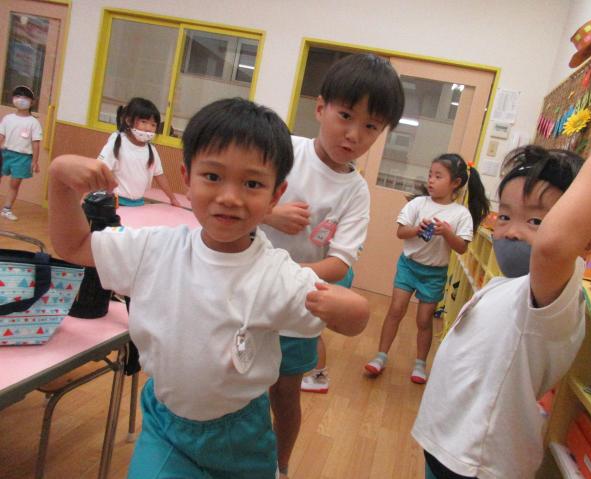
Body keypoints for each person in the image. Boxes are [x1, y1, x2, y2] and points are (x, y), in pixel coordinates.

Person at [48, 97, 370, 479]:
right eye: (213, 177)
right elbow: (74, 246)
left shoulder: (276, 274)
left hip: (241, 435)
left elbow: (353, 319)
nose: (229, 197)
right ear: (187, 177)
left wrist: (354, 311)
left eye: (252, 183)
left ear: (275, 195)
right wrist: (59, 181)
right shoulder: (154, 249)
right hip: (166, 425)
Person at [412, 134, 591, 479]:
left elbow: (553, 248)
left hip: (478, 462)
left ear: (584, 245)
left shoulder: (549, 295)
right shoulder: (508, 285)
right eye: (505, 216)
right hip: (447, 445)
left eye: (536, 222)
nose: (511, 232)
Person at [260, 52, 404, 478]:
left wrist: (283, 276)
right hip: (243, 294)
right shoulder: (283, 150)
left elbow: (339, 263)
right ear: (321, 108)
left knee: (286, 394)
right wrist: (270, 214)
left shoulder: (356, 192)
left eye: (371, 126)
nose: (354, 134)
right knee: (237, 385)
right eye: (345, 116)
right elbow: (237, 203)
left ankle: (280, 466)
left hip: (298, 306)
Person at [365, 153, 489, 383]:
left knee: (424, 320)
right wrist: (417, 229)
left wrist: (447, 233)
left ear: (456, 183)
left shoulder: (461, 214)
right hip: (409, 266)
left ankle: (420, 363)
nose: (431, 180)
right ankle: (380, 356)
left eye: (438, 176)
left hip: (434, 273)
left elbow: (461, 248)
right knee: (396, 309)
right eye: (430, 174)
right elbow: (401, 232)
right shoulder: (417, 204)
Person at [98, 97, 179, 207]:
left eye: (153, 125)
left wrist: (172, 198)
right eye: (144, 122)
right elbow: (100, 168)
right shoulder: (117, 142)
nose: (148, 128)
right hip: (115, 202)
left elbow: (160, 175)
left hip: (138, 203)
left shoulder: (151, 150)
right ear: (128, 121)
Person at [0, 85, 42, 221]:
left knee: (14, 184)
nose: (20, 100)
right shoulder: (8, 118)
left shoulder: (33, 123)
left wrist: (34, 161)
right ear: (13, 98)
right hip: (5, 153)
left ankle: (7, 209)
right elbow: (1, 135)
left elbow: (36, 143)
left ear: (32, 102)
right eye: (17, 96)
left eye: (25, 97)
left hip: (23, 158)